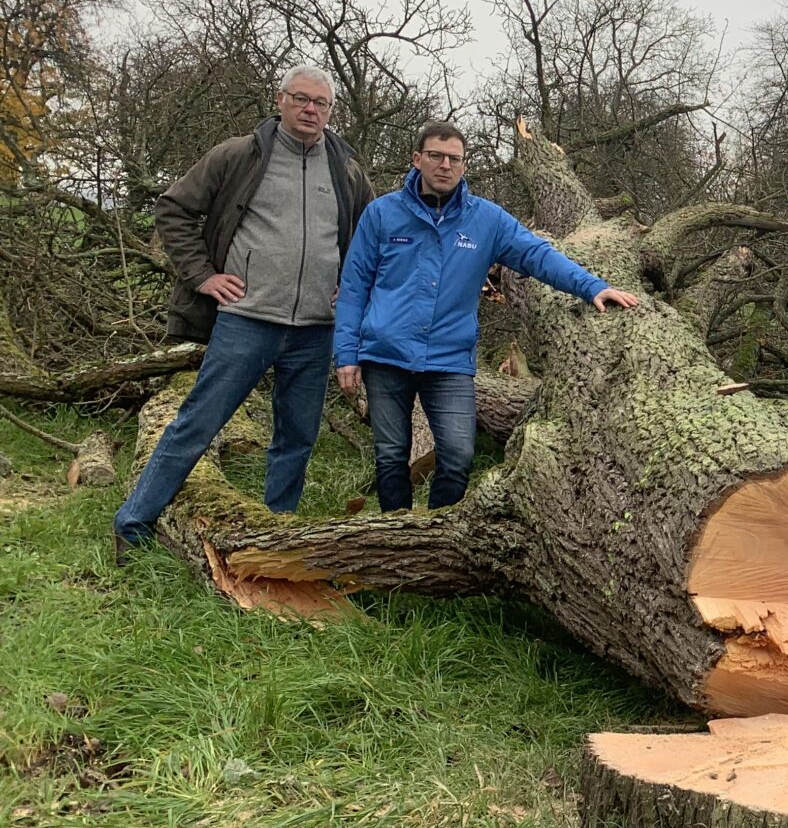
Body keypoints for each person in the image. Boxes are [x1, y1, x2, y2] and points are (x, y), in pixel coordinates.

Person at [114, 64, 374, 556]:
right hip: (246, 318)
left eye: (320, 103)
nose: (310, 109)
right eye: (301, 99)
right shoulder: (239, 154)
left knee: (296, 438)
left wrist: (352, 285)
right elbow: (174, 208)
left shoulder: (346, 168)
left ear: (331, 110)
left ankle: (275, 535)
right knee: (197, 422)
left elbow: (368, 236)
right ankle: (132, 525)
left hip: (316, 328)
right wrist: (203, 276)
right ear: (280, 100)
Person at [333, 122, 638, 513]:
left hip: (449, 358)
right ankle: (397, 535)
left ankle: (440, 537)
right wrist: (346, 353)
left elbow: (537, 255)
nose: (445, 165)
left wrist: (592, 287)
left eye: (454, 159)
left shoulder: (487, 220)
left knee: (458, 456)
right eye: (436, 156)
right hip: (386, 354)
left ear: (464, 165)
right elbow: (355, 285)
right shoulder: (382, 214)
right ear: (417, 159)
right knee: (392, 456)